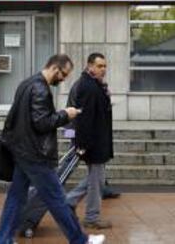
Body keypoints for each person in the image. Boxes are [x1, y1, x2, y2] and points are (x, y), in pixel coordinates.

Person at [0, 54, 105, 244]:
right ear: (55, 68)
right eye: (63, 74)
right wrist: (65, 115)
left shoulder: (26, 84)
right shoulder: (40, 89)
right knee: (57, 199)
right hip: (36, 155)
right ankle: (81, 240)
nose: (63, 79)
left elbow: (15, 118)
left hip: (22, 152)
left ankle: (2, 240)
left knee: (15, 198)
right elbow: (41, 123)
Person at [65, 53, 114, 229]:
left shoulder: (95, 85)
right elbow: (79, 118)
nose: (103, 70)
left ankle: (69, 202)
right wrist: (76, 142)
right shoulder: (85, 86)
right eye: (100, 66)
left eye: (105, 66)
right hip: (86, 141)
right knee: (96, 179)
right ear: (90, 66)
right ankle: (91, 216)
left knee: (96, 178)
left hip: (92, 140)